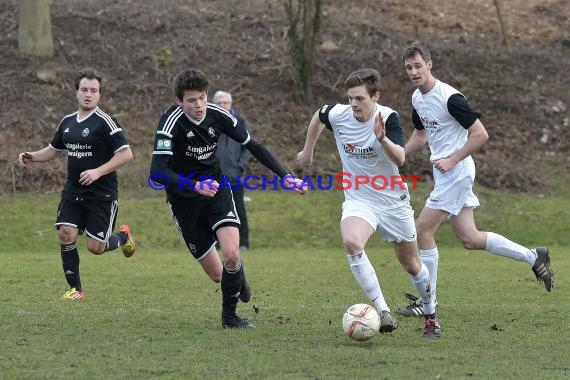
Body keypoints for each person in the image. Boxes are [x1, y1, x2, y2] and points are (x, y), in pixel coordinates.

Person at [396, 41, 554, 318]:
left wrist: (452, 159)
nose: (413, 71)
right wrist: (398, 152)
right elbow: (421, 136)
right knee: (470, 238)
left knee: (422, 231)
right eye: (409, 67)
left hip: (455, 172)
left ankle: (428, 302)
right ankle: (534, 256)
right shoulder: (417, 98)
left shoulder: (450, 98)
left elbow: (481, 134)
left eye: (418, 66)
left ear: (429, 65)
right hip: (447, 173)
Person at [149, 68, 307, 329]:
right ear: (179, 101)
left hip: (217, 191)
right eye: (191, 100)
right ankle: (237, 278)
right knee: (217, 274)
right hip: (184, 201)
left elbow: (253, 145)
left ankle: (230, 318)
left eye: (202, 97)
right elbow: (158, 172)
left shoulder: (218, 115)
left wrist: (285, 176)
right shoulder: (170, 122)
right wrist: (194, 185)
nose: (198, 105)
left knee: (232, 253)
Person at [297, 68, 440, 338]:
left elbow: (400, 159)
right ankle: (383, 311)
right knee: (352, 242)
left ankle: (431, 315)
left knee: (412, 265)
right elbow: (319, 115)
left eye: (360, 98)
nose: (353, 104)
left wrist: (382, 138)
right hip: (359, 199)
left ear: (375, 96)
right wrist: (308, 151)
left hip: (392, 201)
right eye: (350, 98)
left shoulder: (388, 118)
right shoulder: (339, 114)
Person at [18, 68, 136, 301]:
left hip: (101, 194)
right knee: (66, 233)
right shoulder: (68, 122)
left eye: (94, 90)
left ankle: (122, 238)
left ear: (100, 95)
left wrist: (97, 172)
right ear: (76, 92)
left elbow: (126, 154)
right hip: (74, 191)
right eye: (84, 89)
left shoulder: (105, 123)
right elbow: (54, 150)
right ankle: (76, 290)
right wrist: (31, 155)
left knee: (96, 247)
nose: (88, 94)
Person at [213, 90, 251, 251]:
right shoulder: (210, 122)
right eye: (219, 103)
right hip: (214, 176)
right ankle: (216, 242)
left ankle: (243, 243)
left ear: (231, 104)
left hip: (235, 175)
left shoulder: (240, 123)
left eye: (225, 103)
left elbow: (248, 147)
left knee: (238, 209)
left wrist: (239, 165)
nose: (222, 106)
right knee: (214, 209)